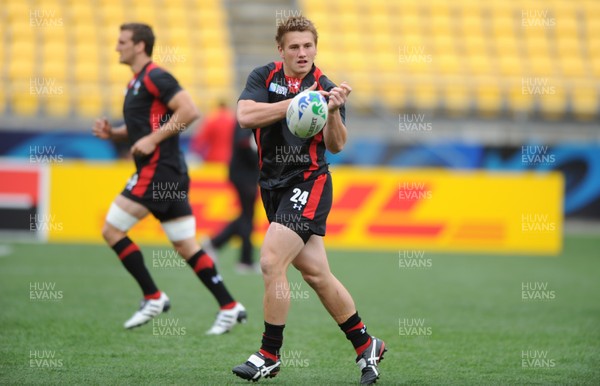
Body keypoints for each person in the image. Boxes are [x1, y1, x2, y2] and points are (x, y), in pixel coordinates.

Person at [231, 16, 386, 385]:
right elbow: (244, 116)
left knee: (270, 261)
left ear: (315, 48)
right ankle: (367, 344)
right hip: (272, 186)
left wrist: (330, 112)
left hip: (309, 183)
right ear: (280, 49)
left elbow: (337, 145)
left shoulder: (326, 87)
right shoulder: (264, 77)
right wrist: (293, 104)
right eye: (294, 47)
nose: (302, 53)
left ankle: (268, 354)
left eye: (308, 46)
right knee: (317, 274)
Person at [92, 23, 246, 335]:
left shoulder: (155, 76)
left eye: (122, 41)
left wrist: (153, 141)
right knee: (186, 245)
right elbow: (144, 127)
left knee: (111, 230)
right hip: (169, 172)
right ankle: (230, 306)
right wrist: (116, 133)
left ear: (139, 46)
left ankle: (152, 296)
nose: (116, 47)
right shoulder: (135, 82)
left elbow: (189, 110)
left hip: (157, 170)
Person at [202, 122, 261, 274]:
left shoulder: (252, 115)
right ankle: (244, 261)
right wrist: (258, 157)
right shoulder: (248, 118)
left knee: (246, 217)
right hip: (243, 176)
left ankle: (214, 243)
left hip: (246, 175)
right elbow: (243, 142)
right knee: (247, 218)